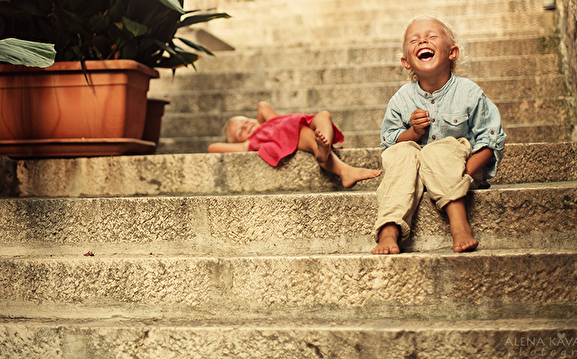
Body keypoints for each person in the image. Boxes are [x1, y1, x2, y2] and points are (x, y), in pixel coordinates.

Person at [372, 16, 506, 255]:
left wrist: (463, 172)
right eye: (414, 40)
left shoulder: (469, 92)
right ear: (406, 62)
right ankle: (389, 230)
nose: (422, 41)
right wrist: (413, 132)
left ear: (452, 52)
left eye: (431, 36)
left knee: (438, 150)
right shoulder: (401, 99)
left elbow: (490, 139)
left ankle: (459, 225)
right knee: (401, 153)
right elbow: (389, 141)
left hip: (459, 169)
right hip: (411, 174)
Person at [208, 101, 381, 188]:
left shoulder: (270, 121)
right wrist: (241, 141)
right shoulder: (251, 142)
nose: (246, 126)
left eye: (246, 121)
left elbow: (262, 105)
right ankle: (339, 166)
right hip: (290, 135)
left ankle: (324, 143)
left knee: (324, 115)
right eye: (241, 131)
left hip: (296, 123)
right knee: (310, 136)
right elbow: (212, 148)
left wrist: (257, 123)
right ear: (239, 141)